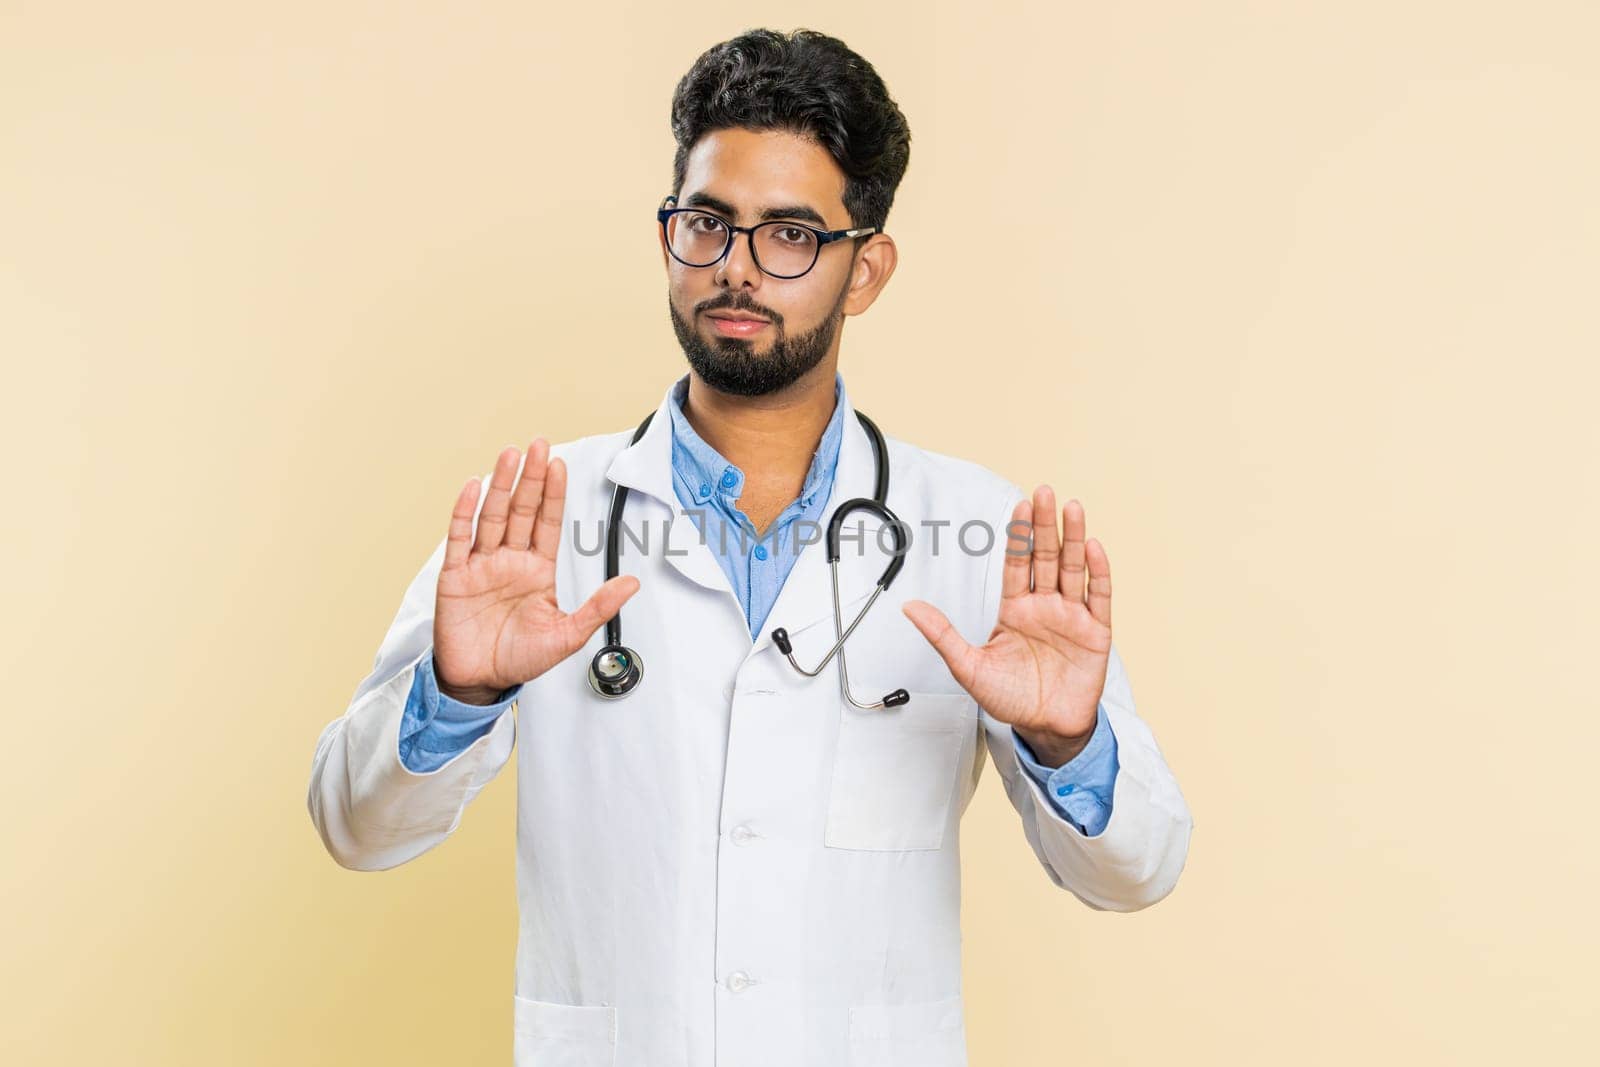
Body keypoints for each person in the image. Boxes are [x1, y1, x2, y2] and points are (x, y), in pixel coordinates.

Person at [307, 27, 1192, 1066]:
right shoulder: (539, 518)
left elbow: (1136, 868)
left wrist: (1066, 740)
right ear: (668, 231)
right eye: (707, 224)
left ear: (864, 269)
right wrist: (457, 690)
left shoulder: (985, 536)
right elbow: (355, 825)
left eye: (789, 235)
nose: (735, 269)